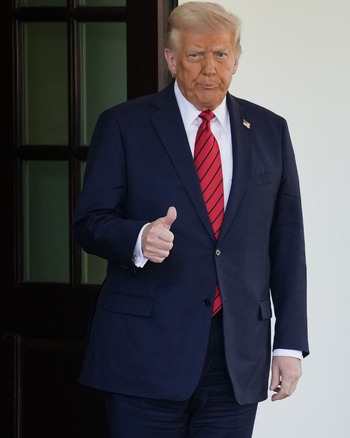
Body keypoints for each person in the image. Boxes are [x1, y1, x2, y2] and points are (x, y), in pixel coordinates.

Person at [72, 2, 308, 436]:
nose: (209, 69)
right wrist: (138, 238)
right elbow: (89, 221)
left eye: (220, 55)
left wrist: (289, 345)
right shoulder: (124, 125)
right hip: (144, 354)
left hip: (236, 355)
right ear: (172, 59)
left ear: (236, 60)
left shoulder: (271, 130)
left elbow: (286, 243)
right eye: (196, 55)